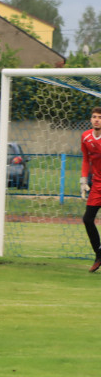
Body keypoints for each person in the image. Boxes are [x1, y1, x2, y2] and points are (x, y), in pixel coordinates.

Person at [80, 107, 101, 273]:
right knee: (87, 219)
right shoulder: (85, 137)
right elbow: (86, 159)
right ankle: (99, 254)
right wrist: (83, 179)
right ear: (90, 119)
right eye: (94, 117)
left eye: (100, 117)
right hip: (96, 185)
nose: (97, 120)